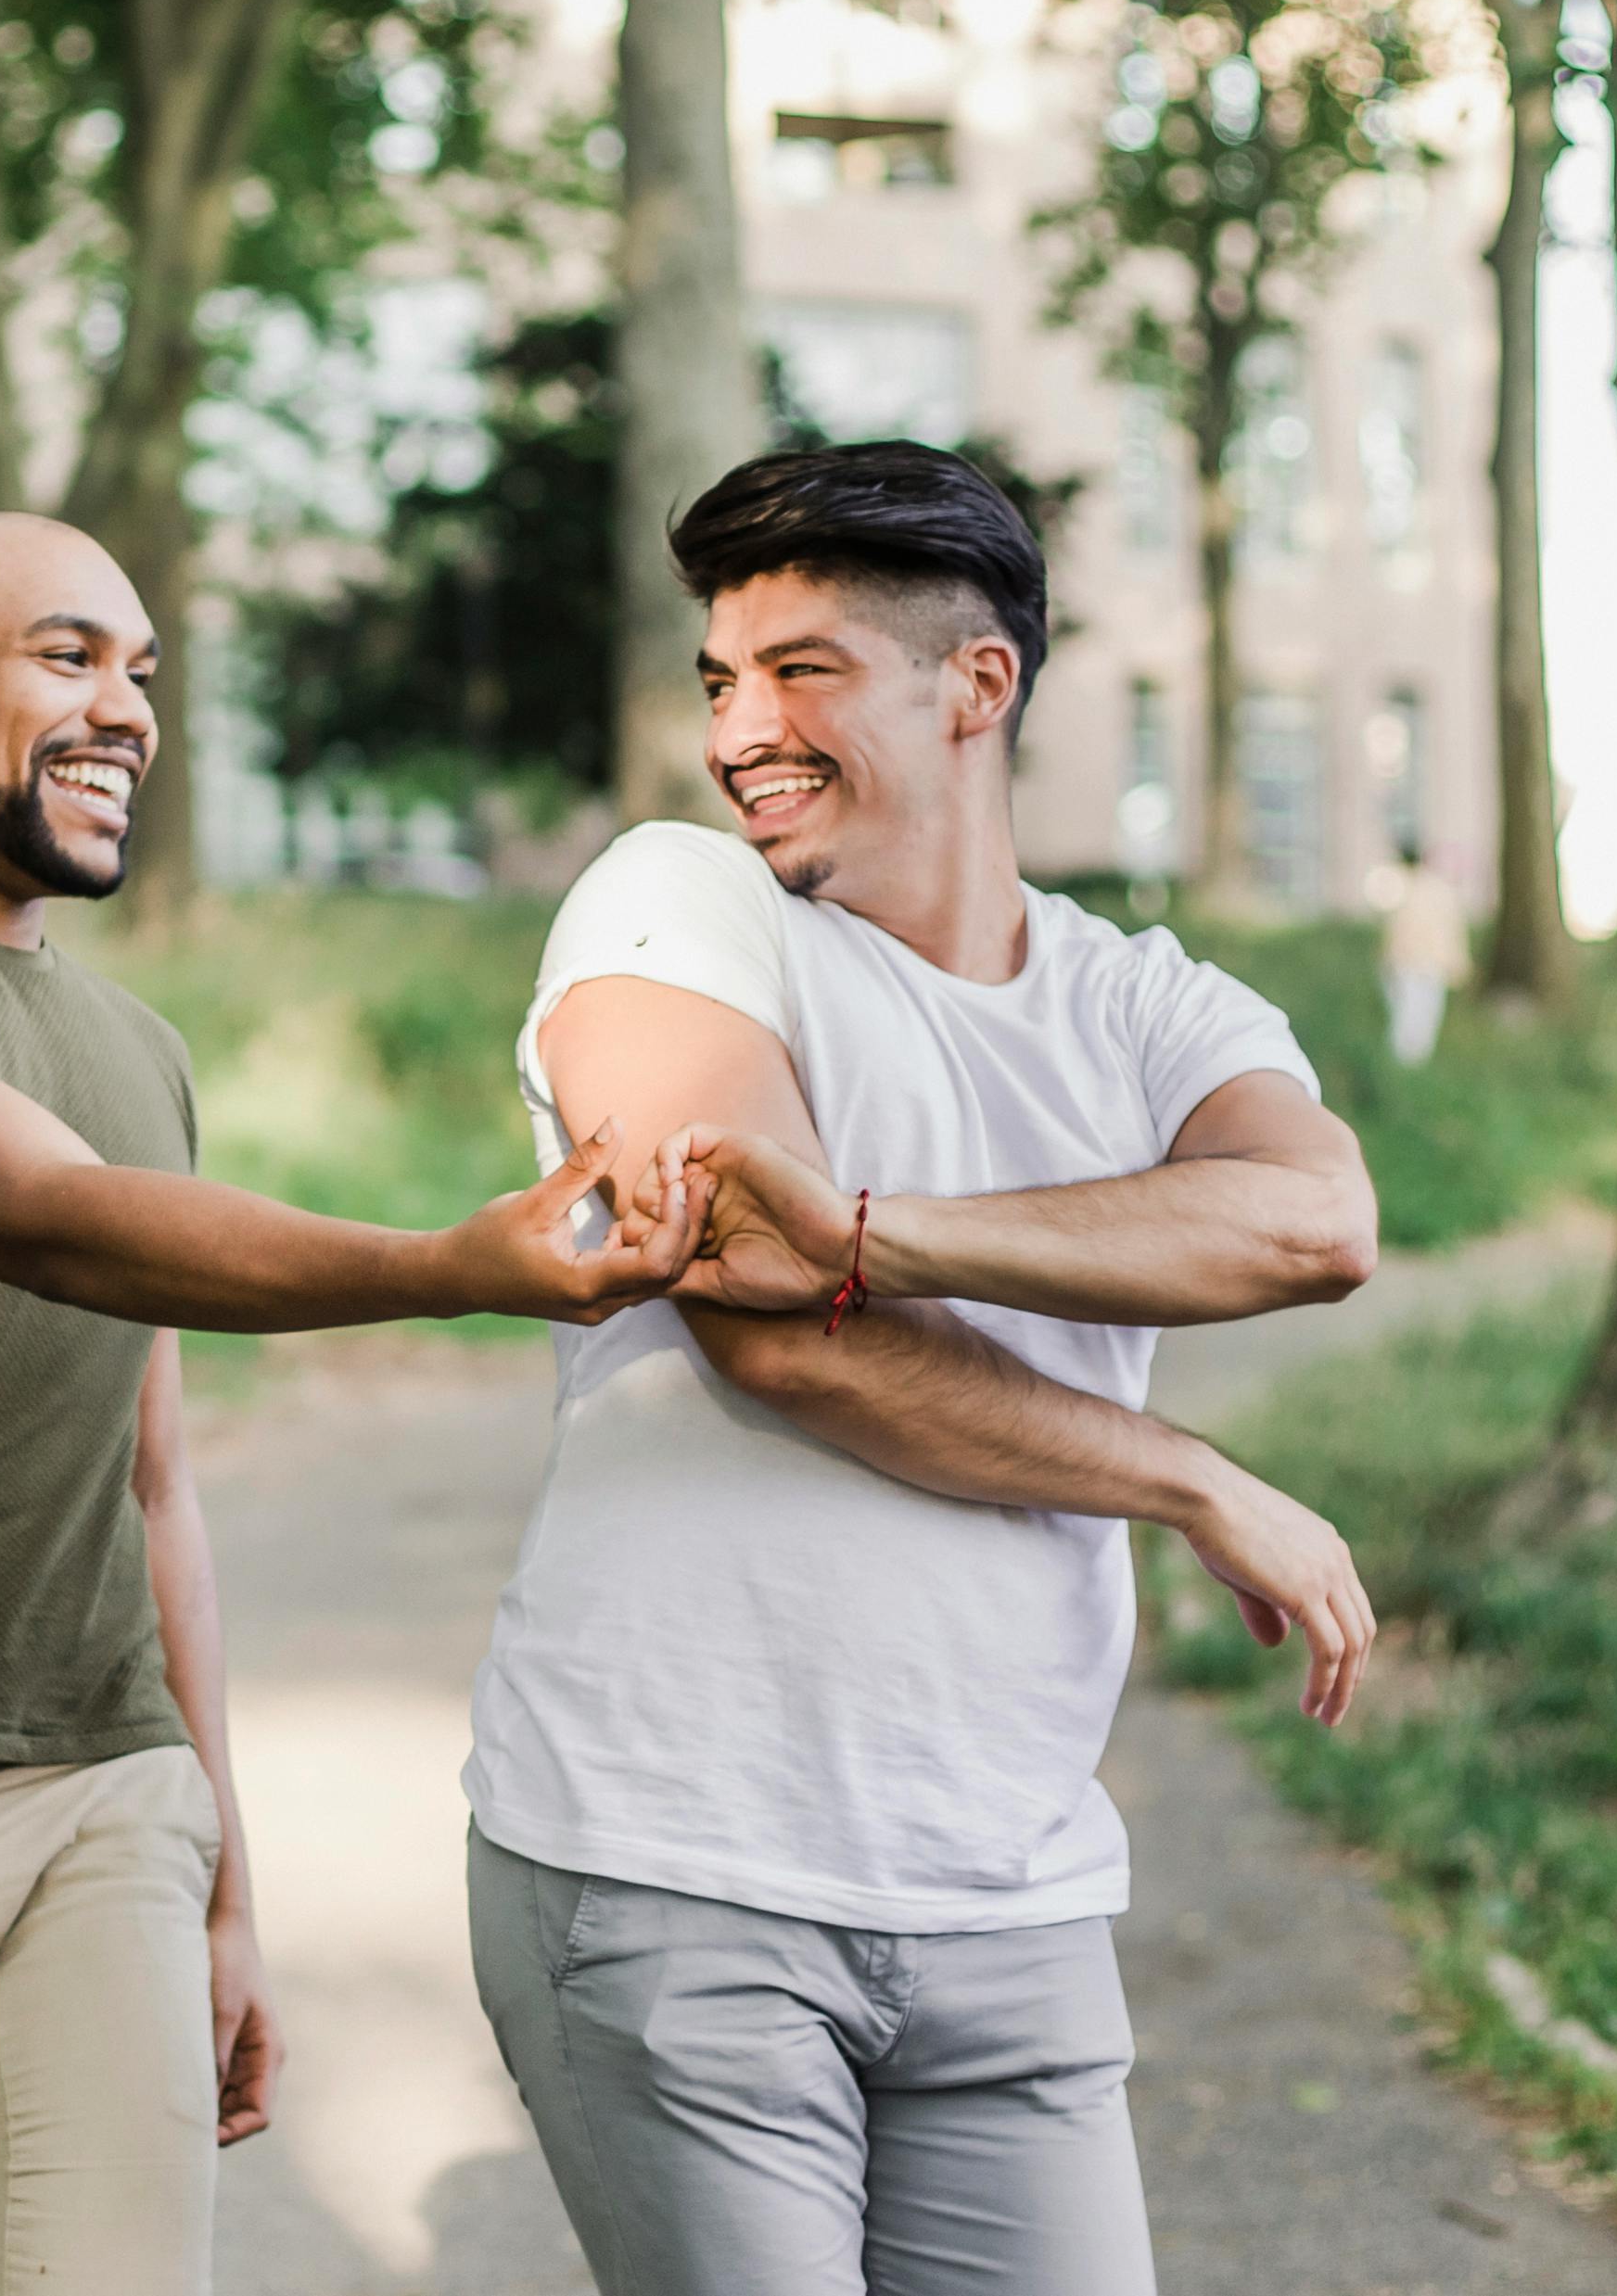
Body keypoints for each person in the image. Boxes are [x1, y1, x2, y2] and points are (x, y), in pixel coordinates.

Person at [0, 509, 704, 2296]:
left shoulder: (137, 1053)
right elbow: (34, 1217)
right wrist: (449, 1262)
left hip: (94, 1808)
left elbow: (153, 1485)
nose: (127, 709)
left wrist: (223, 1877)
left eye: (143, 672)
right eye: (67, 656)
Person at [467, 443, 1383, 2296]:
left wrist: (879, 1231)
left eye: (804, 668)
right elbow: (761, 1309)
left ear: (977, 683)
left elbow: (1310, 1219)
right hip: (677, 1862)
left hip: (1008, 1883)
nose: (742, 727)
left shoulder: (1150, 999)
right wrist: (1186, 1470)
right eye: (722, 677)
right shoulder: (676, 907)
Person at [1379, 843, 1470, 1065]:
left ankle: (1407, 1066)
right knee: (1417, 1018)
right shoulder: (1438, 893)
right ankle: (1407, 1066)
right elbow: (1448, 935)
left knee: (1412, 1018)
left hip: (1412, 963)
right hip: (1421, 964)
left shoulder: (1412, 888)